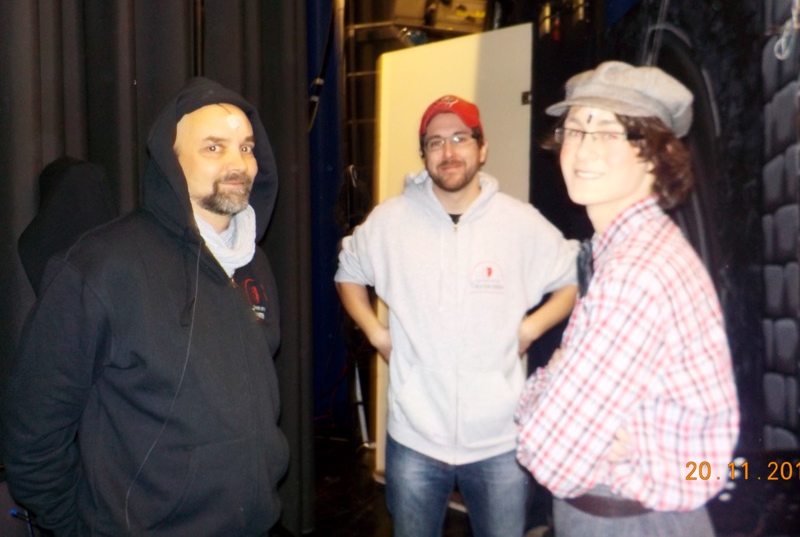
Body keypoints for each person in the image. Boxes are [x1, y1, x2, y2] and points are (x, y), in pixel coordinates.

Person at [2, 77, 288, 536]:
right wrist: (74, 527)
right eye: (213, 147)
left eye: (247, 148)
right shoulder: (102, 267)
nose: (238, 163)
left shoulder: (252, 263)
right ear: (171, 160)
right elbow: (33, 431)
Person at [335, 94, 579, 537]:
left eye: (460, 138)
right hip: (415, 439)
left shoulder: (519, 223)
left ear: (481, 148)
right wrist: (375, 332)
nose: (448, 151)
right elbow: (347, 272)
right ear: (424, 155)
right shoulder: (390, 222)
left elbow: (571, 278)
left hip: (499, 440)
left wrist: (532, 327)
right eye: (435, 142)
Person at [515, 61, 740, 536]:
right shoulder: (630, 247)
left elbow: (548, 454)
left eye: (608, 132)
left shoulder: (635, 273)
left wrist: (540, 390)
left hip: (632, 522)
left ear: (655, 155)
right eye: (576, 128)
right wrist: (554, 386)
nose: (582, 149)